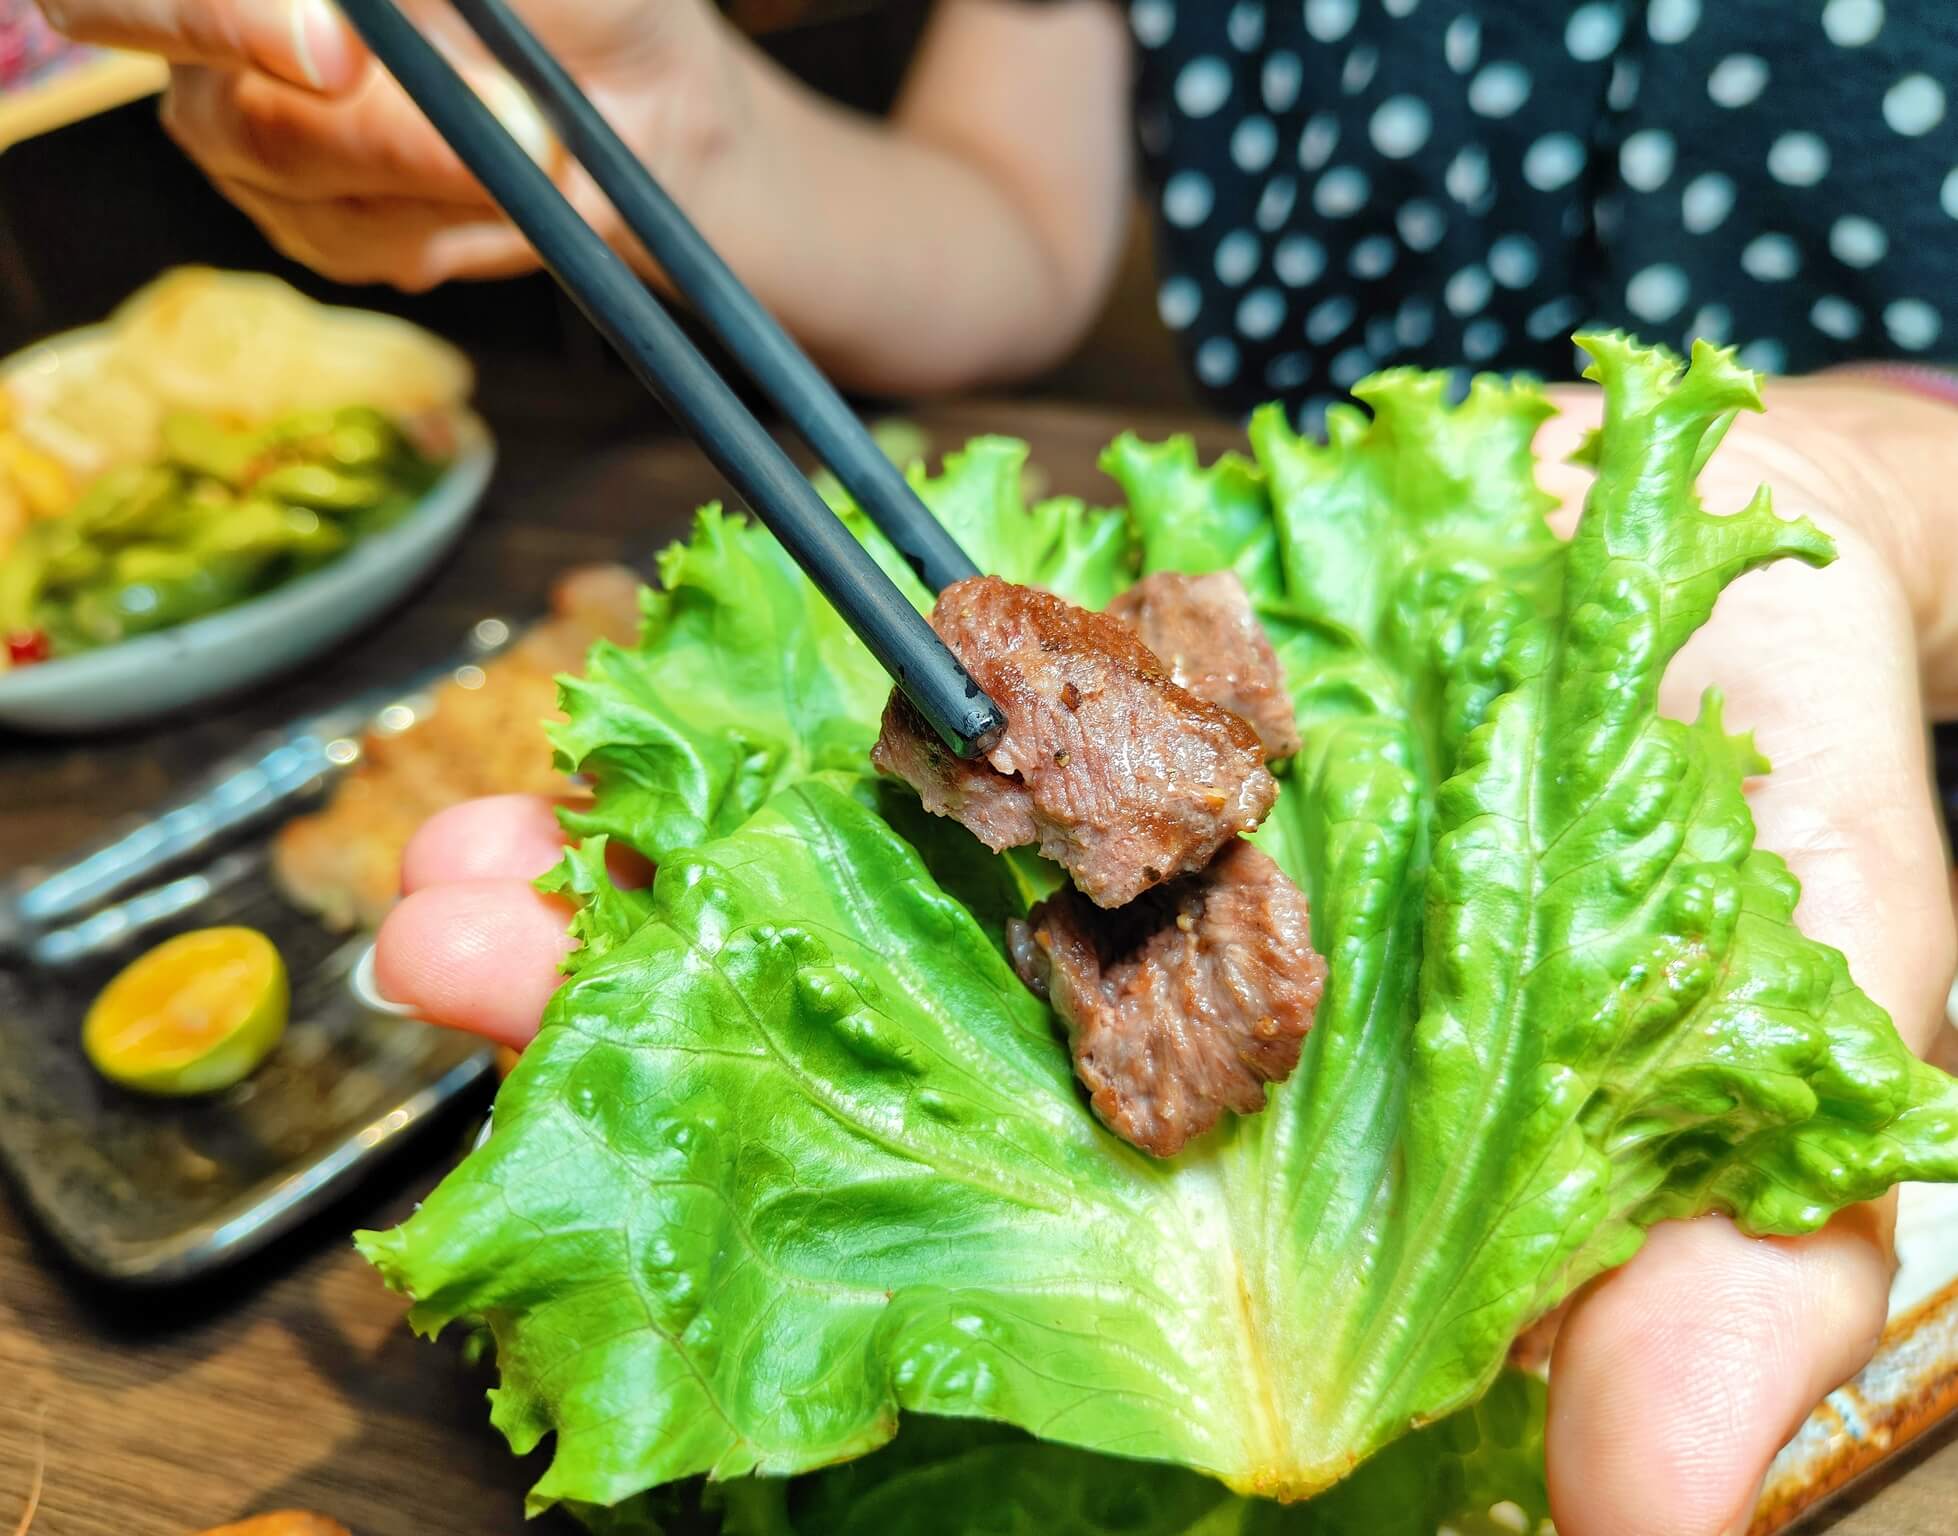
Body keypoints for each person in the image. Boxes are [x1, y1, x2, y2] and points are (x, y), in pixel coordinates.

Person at [35, 2, 1958, 1533]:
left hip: (1797, 777)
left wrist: (1868, 496)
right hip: (1247, 626)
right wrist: (667, 120)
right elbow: (1010, 226)